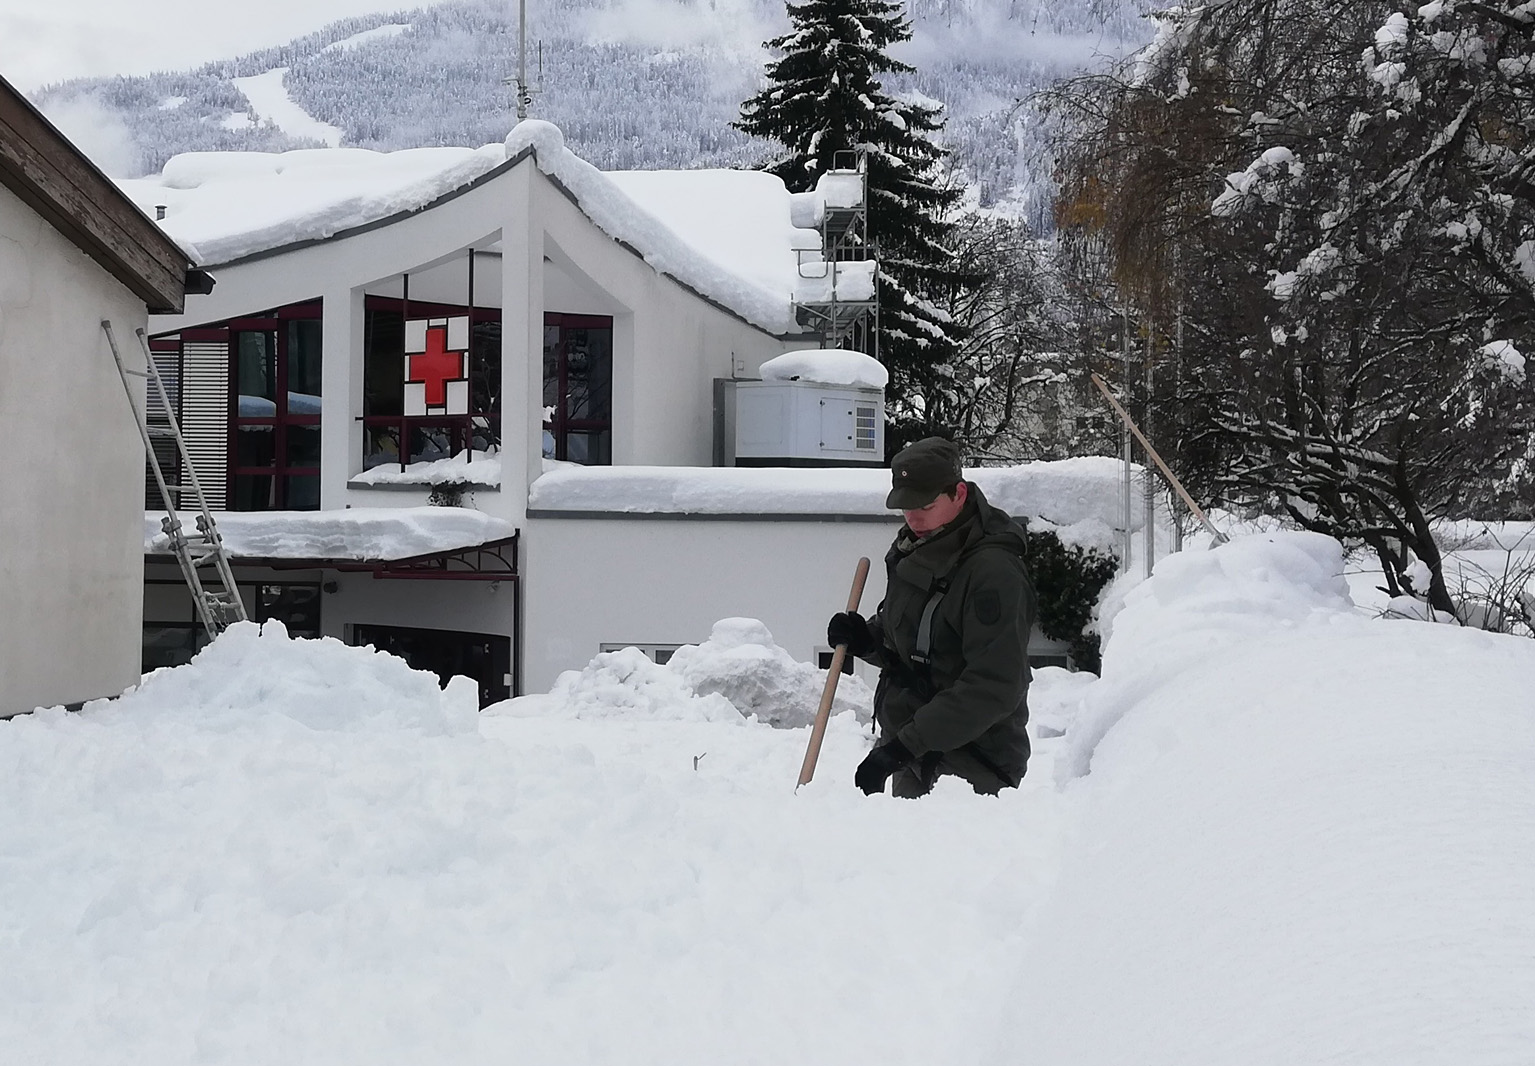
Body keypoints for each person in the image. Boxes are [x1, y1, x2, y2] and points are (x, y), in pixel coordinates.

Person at [829, 437, 1035, 797]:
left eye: (923, 504)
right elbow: (914, 644)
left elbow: (993, 687)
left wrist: (903, 748)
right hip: (918, 754)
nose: (913, 517)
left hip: (970, 770)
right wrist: (867, 641)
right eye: (905, 507)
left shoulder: (993, 573)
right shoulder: (920, 547)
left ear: (958, 493)